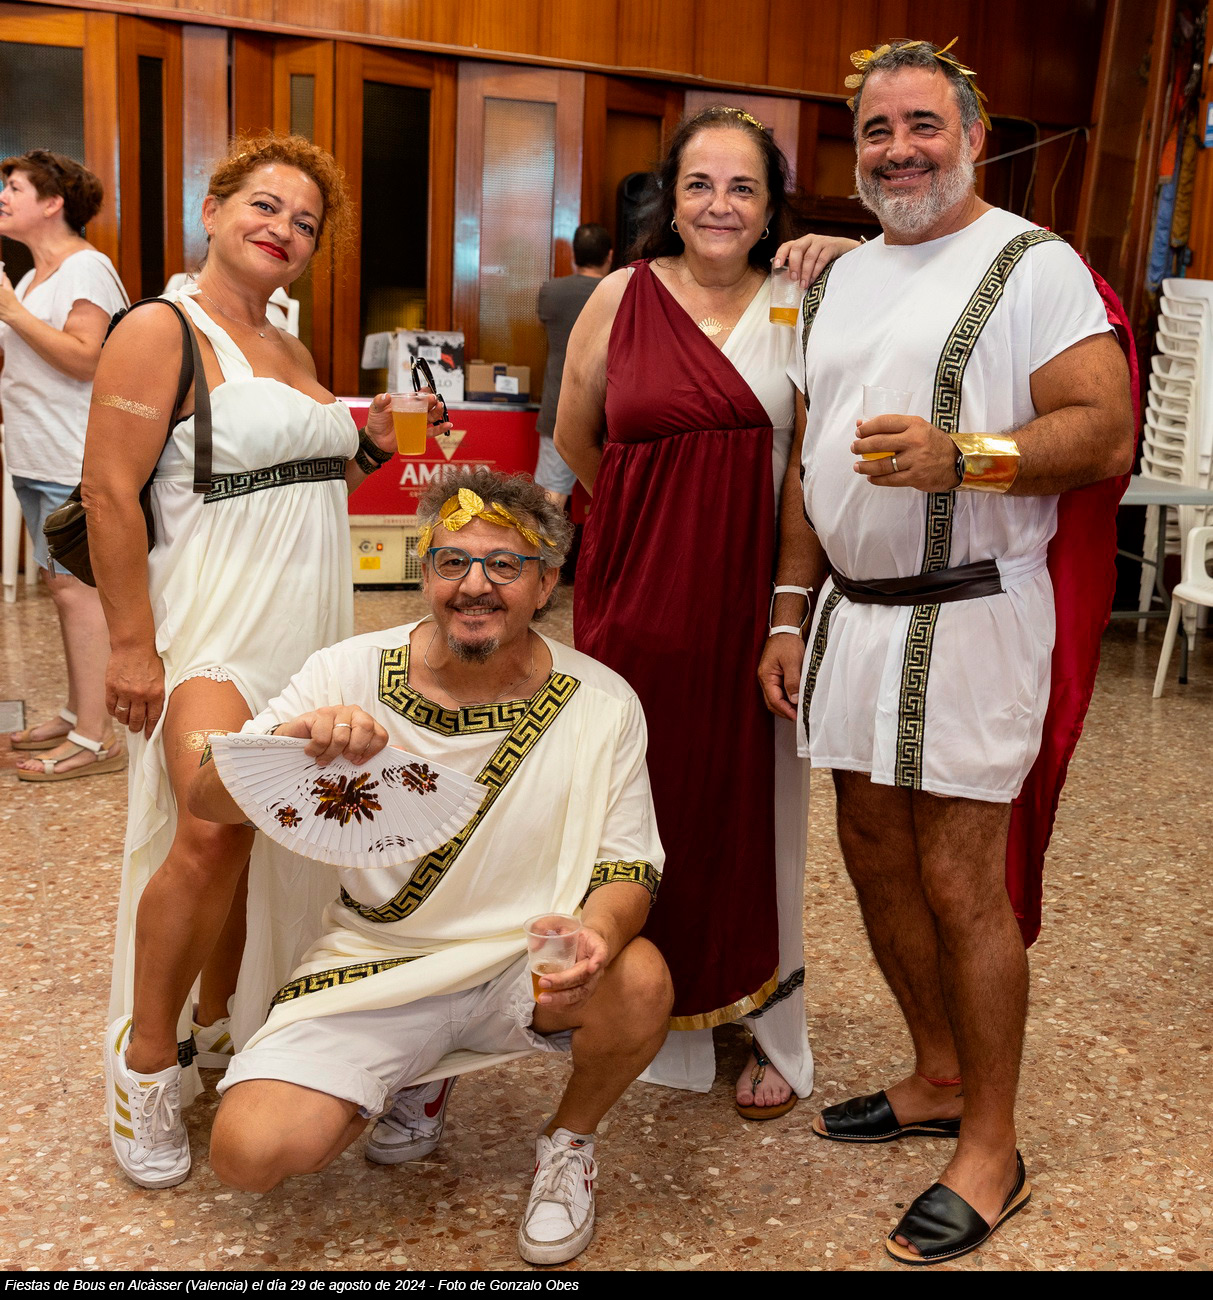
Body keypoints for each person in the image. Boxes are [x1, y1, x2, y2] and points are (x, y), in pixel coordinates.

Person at [759, 39, 1134, 1265]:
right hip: (851, 615)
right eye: (877, 129)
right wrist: (786, 608)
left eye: (923, 124)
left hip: (969, 613)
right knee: (873, 855)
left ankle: (991, 1143)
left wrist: (965, 457)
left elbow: (1104, 429)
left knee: (962, 878)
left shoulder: (1034, 263)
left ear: (972, 136)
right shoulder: (840, 277)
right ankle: (932, 1072)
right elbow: (810, 459)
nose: (900, 149)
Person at [188, 468, 671, 1267]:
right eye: (452, 562)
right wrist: (285, 749)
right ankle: (405, 1077)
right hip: (376, 964)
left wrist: (595, 934)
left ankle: (568, 1143)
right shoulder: (346, 671)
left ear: (546, 580)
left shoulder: (603, 702)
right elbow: (206, 798)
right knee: (249, 1155)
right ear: (426, 572)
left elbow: (627, 863)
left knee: (641, 978)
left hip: (521, 966)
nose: (474, 585)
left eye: (504, 565)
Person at [86, 132, 446, 1190]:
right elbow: (108, 491)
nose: (283, 228)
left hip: (307, 628)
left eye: (304, 222)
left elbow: (300, 470)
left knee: (260, 836)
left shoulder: (283, 339)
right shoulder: (161, 328)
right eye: (264, 205)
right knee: (207, 828)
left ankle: (218, 1024)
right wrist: (130, 644)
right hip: (213, 622)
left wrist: (374, 439)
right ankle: (144, 1066)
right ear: (212, 209)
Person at [556, 106, 855, 1116]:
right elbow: (579, 438)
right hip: (634, 600)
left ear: (771, 208)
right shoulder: (617, 296)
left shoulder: (805, 299)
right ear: (669, 201)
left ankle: (771, 1021)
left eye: (742, 188)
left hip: (749, 601)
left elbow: (806, 469)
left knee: (757, 811)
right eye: (699, 185)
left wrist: (783, 609)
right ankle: (653, 1009)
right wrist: (653, 522)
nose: (719, 205)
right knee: (639, 805)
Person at [0, 150, 129, 780]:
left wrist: (11, 312)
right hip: (35, 453)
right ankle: (78, 712)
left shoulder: (87, 267)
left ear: (53, 203)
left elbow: (86, 358)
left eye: (14, 187)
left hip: (71, 455)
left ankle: (96, 740)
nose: (3, 196)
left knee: (79, 592)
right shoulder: (31, 277)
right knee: (61, 588)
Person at [533, 223, 612, 508]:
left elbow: (544, 327)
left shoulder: (551, 291)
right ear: (609, 255)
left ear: (574, 257)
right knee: (611, 495)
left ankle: (544, 542)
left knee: (550, 497)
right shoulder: (621, 291)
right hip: (609, 411)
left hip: (560, 405)